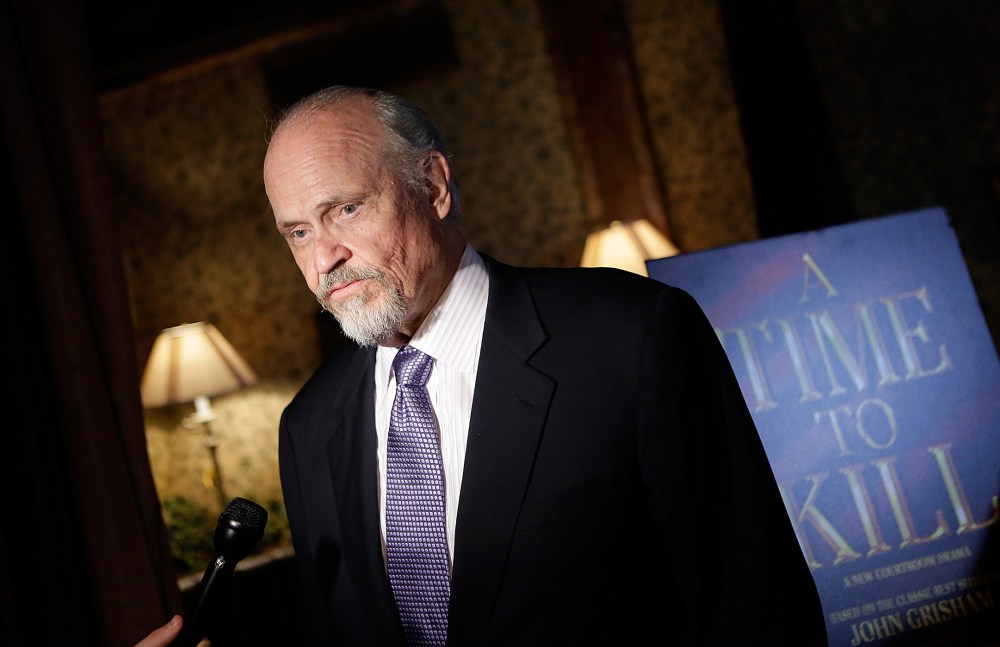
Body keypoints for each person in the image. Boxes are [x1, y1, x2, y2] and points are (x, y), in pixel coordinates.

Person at [139, 85, 828, 646]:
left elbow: (758, 611)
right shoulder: (309, 426)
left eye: (345, 208)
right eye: (298, 231)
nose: (324, 258)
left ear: (433, 185)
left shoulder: (630, 336)